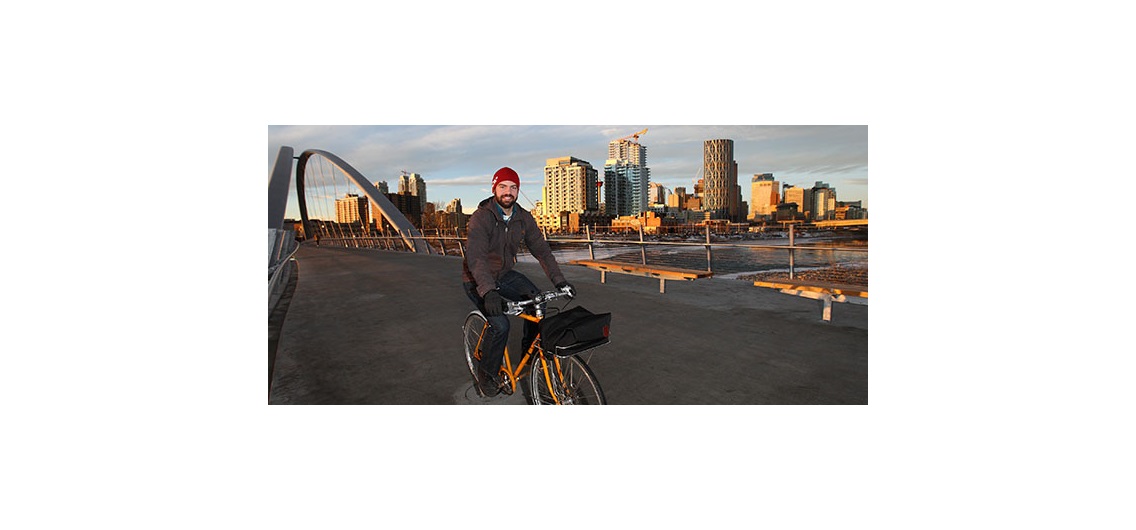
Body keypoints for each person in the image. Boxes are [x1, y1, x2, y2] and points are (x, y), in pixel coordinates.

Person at [462, 166, 575, 397]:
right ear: (494, 189)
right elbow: (476, 258)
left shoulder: (523, 218)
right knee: (500, 325)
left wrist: (559, 281)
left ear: (518, 190)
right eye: (502, 186)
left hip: (504, 275)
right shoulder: (481, 217)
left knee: (538, 302)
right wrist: (488, 291)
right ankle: (487, 374)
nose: (508, 192)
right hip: (477, 279)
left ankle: (531, 353)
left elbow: (542, 251)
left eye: (513, 187)